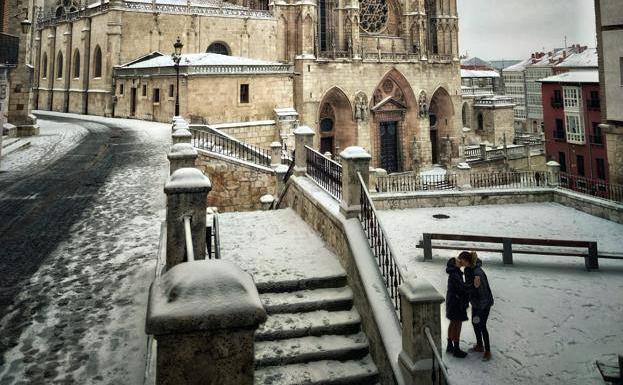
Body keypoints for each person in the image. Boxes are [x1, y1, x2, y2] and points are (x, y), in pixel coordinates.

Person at [458, 250, 494, 361]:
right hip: (476, 303)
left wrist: (480, 307)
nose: (460, 262)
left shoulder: (478, 273)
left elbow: (482, 291)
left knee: (482, 325)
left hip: (484, 304)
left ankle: (487, 351)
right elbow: (469, 287)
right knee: (475, 323)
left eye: (461, 260)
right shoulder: (468, 270)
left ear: (466, 260)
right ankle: (479, 345)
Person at [445, 257, 469, 358]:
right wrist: (470, 286)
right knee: (457, 324)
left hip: (452, 301)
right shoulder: (455, 274)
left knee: (453, 322)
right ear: (454, 265)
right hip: (457, 303)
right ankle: (456, 348)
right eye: (457, 261)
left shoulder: (454, 273)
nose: (460, 261)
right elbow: (461, 288)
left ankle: (450, 345)